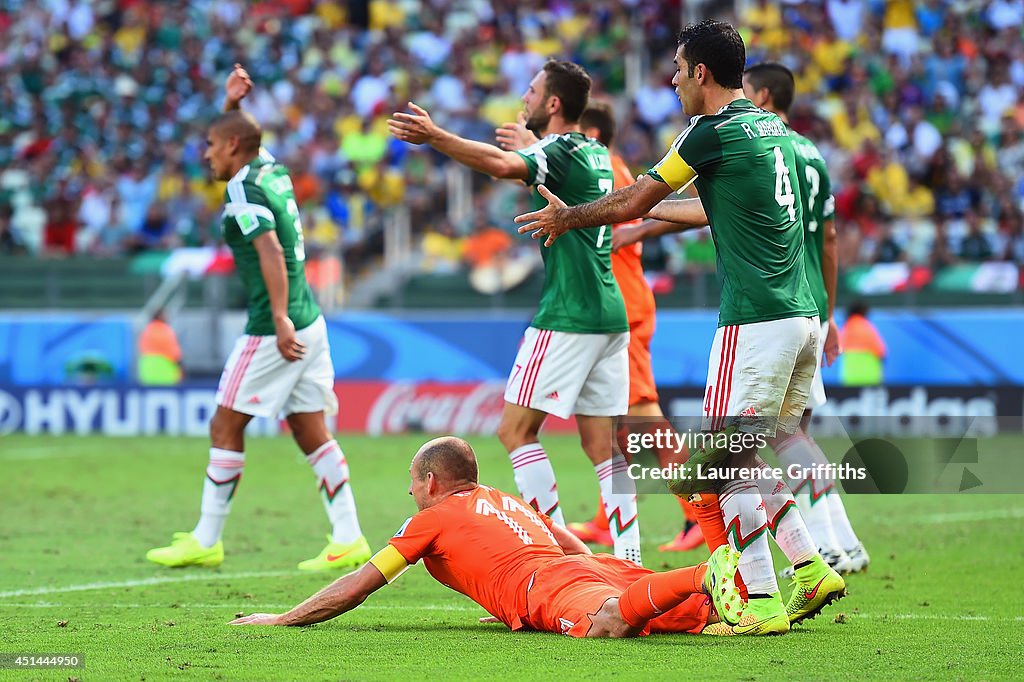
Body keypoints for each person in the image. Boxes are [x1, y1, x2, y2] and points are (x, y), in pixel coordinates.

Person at [513, 21, 845, 634]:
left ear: (700, 73)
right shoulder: (780, 133)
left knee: (717, 466)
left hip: (756, 319)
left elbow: (635, 196)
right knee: (743, 456)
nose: (670, 80)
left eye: (677, 67)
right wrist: (644, 207)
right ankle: (810, 567)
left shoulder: (709, 130)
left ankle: (762, 602)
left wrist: (575, 216)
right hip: (802, 317)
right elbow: (713, 206)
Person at [616, 63, 869, 573]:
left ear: (763, 93)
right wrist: (829, 311)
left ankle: (786, 569)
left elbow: (654, 194)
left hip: (760, 313)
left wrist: (624, 215)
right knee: (782, 438)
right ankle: (831, 548)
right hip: (805, 307)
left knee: (734, 454)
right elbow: (821, 236)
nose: (675, 81)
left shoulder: (726, 131)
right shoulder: (800, 148)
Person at [388, 61, 641, 564]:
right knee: (603, 447)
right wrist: (529, 146)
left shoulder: (559, 147)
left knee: (515, 431)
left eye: (531, 90)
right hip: (610, 313)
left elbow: (504, 167)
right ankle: (629, 560)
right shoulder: (596, 151)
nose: (523, 96)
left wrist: (437, 135)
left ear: (553, 104)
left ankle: (557, 558)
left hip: (567, 314)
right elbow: (540, 165)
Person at [146, 65, 370, 572]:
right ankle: (350, 536)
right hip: (308, 318)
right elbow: (244, 136)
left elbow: (268, 249)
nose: (205, 153)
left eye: (210, 144)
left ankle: (206, 538)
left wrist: (276, 316)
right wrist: (230, 108)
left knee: (225, 423)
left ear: (229, 148)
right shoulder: (269, 167)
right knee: (311, 429)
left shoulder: (243, 190)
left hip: (277, 326)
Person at [229, 436, 745, 637]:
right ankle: (749, 598)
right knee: (703, 619)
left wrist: (284, 617)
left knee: (607, 624)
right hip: (593, 570)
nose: (411, 494)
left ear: (430, 482)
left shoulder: (431, 518)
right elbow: (578, 549)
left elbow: (359, 585)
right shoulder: (504, 499)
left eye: (413, 484)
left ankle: (706, 569)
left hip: (549, 587)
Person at [496, 101, 703, 553]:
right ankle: (609, 524)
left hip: (617, 305)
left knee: (645, 419)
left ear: (583, 129)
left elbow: (658, 211)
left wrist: (637, 231)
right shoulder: (609, 167)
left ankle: (702, 513)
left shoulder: (599, 162)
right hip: (618, 303)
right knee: (614, 431)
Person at [839, 300, 886, 386]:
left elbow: (840, 348)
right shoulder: (866, 327)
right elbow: (881, 351)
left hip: (850, 376)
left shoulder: (846, 327)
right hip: (870, 376)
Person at [137, 309, 182, 386]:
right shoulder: (165, 330)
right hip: (165, 370)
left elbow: (141, 348)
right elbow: (173, 351)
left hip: (147, 370)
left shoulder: (146, 330)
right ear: (161, 316)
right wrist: (180, 366)